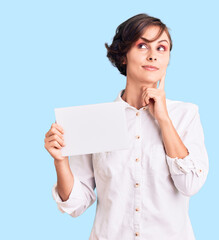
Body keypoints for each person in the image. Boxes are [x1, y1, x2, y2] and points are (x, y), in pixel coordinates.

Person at [44, 13, 209, 240]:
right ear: (123, 56)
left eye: (161, 48)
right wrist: (60, 160)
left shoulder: (185, 115)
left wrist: (163, 119)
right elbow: (75, 205)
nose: (153, 56)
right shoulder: (96, 120)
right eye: (142, 45)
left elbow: (190, 184)